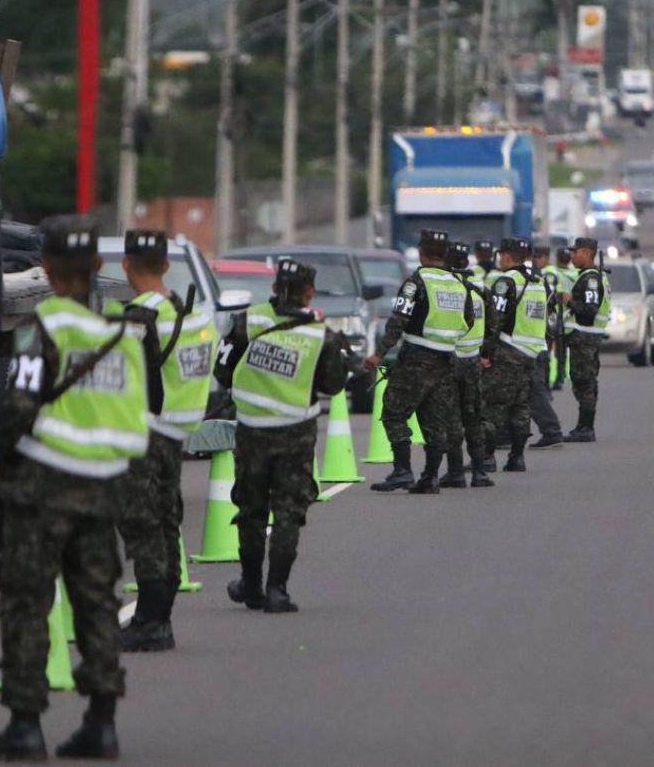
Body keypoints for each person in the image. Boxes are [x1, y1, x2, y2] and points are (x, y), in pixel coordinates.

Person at [0, 215, 149, 761]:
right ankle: (102, 723)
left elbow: (20, 403)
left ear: (45, 269)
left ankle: (26, 726)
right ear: (96, 266)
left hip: (43, 486)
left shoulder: (42, 327)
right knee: (96, 603)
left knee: (27, 602)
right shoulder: (122, 334)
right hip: (104, 486)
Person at [106, 229, 217, 653]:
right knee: (166, 522)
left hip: (143, 433)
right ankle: (158, 618)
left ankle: (151, 622)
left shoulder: (137, 319)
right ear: (167, 266)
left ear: (127, 265)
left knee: (143, 524)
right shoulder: (193, 316)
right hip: (177, 433)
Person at [215, 259, 346, 613]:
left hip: (251, 430)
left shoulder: (246, 321)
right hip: (296, 433)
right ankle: (278, 590)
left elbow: (222, 371)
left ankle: (250, 585)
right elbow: (333, 385)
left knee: (251, 509)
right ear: (309, 293)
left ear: (274, 288)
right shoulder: (320, 334)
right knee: (288, 511)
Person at [365, 230, 473, 493]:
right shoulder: (458, 284)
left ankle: (402, 471)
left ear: (422, 253)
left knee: (393, 413)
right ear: (445, 254)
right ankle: (430, 477)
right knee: (435, 421)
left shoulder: (416, 282)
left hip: (417, 359)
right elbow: (469, 320)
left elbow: (398, 320)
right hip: (446, 360)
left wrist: (379, 353)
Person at [482, 237, 547, 472]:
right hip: (531, 352)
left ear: (507, 256)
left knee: (491, 405)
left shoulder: (506, 281)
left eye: (501, 255)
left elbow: (495, 320)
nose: (500, 259)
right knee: (520, 406)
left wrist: (485, 352)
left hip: (508, 349)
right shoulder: (538, 282)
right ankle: (517, 457)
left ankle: (487, 458)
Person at [440, 241, 495, 488]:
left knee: (453, 417)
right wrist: (487, 353)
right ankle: (480, 471)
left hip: (451, 360)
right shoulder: (480, 289)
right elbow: (494, 325)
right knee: (474, 416)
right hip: (474, 360)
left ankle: (455, 472)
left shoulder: (447, 289)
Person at [561, 238, 611, 443]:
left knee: (583, 382)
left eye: (575, 252)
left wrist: (569, 301)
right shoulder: (592, 276)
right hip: (587, 336)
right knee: (585, 381)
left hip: (585, 336)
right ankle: (583, 426)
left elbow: (590, 310)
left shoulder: (591, 279)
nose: (571, 256)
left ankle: (586, 427)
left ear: (587, 253)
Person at [527, 244, 564, 450]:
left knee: (533, 390)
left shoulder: (535, 280)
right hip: (535, 343)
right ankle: (506, 434)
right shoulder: (541, 281)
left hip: (526, 346)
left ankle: (552, 430)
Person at [551, 247, 577, 390]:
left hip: (561, 316)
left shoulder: (556, 274)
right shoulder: (576, 273)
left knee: (560, 351)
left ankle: (560, 377)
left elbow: (559, 295)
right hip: (574, 318)